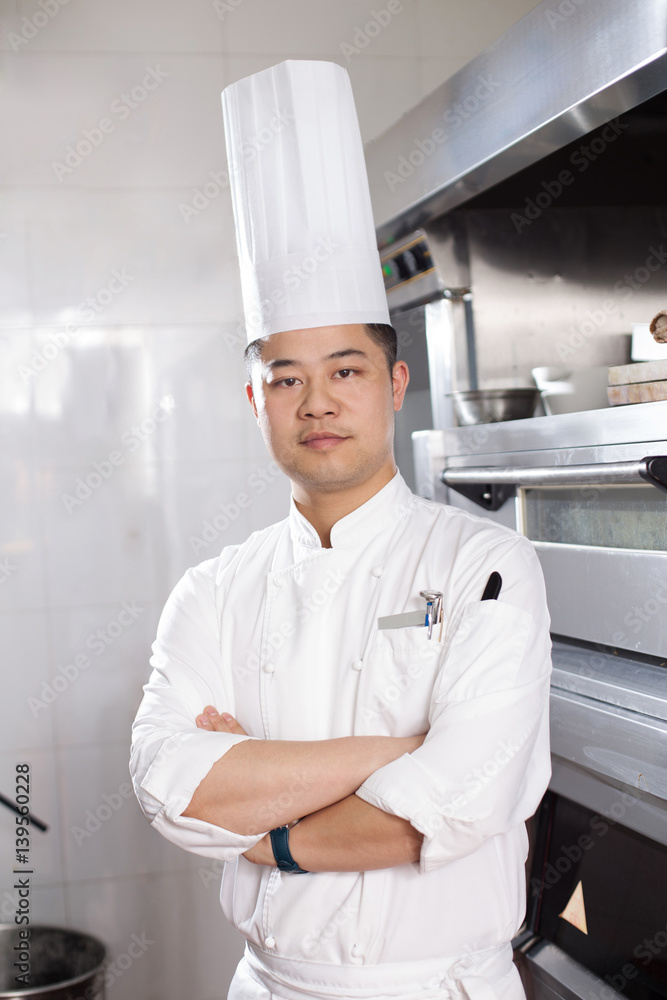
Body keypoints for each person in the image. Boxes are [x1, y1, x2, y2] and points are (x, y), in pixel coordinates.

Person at [130, 60, 552, 1000]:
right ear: (255, 400)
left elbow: (456, 804)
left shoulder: (484, 563)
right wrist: (404, 755)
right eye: (286, 378)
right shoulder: (212, 590)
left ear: (394, 386)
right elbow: (170, 786)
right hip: (271, 984)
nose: (316, 402)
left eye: (347, 371)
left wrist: (266, 828)